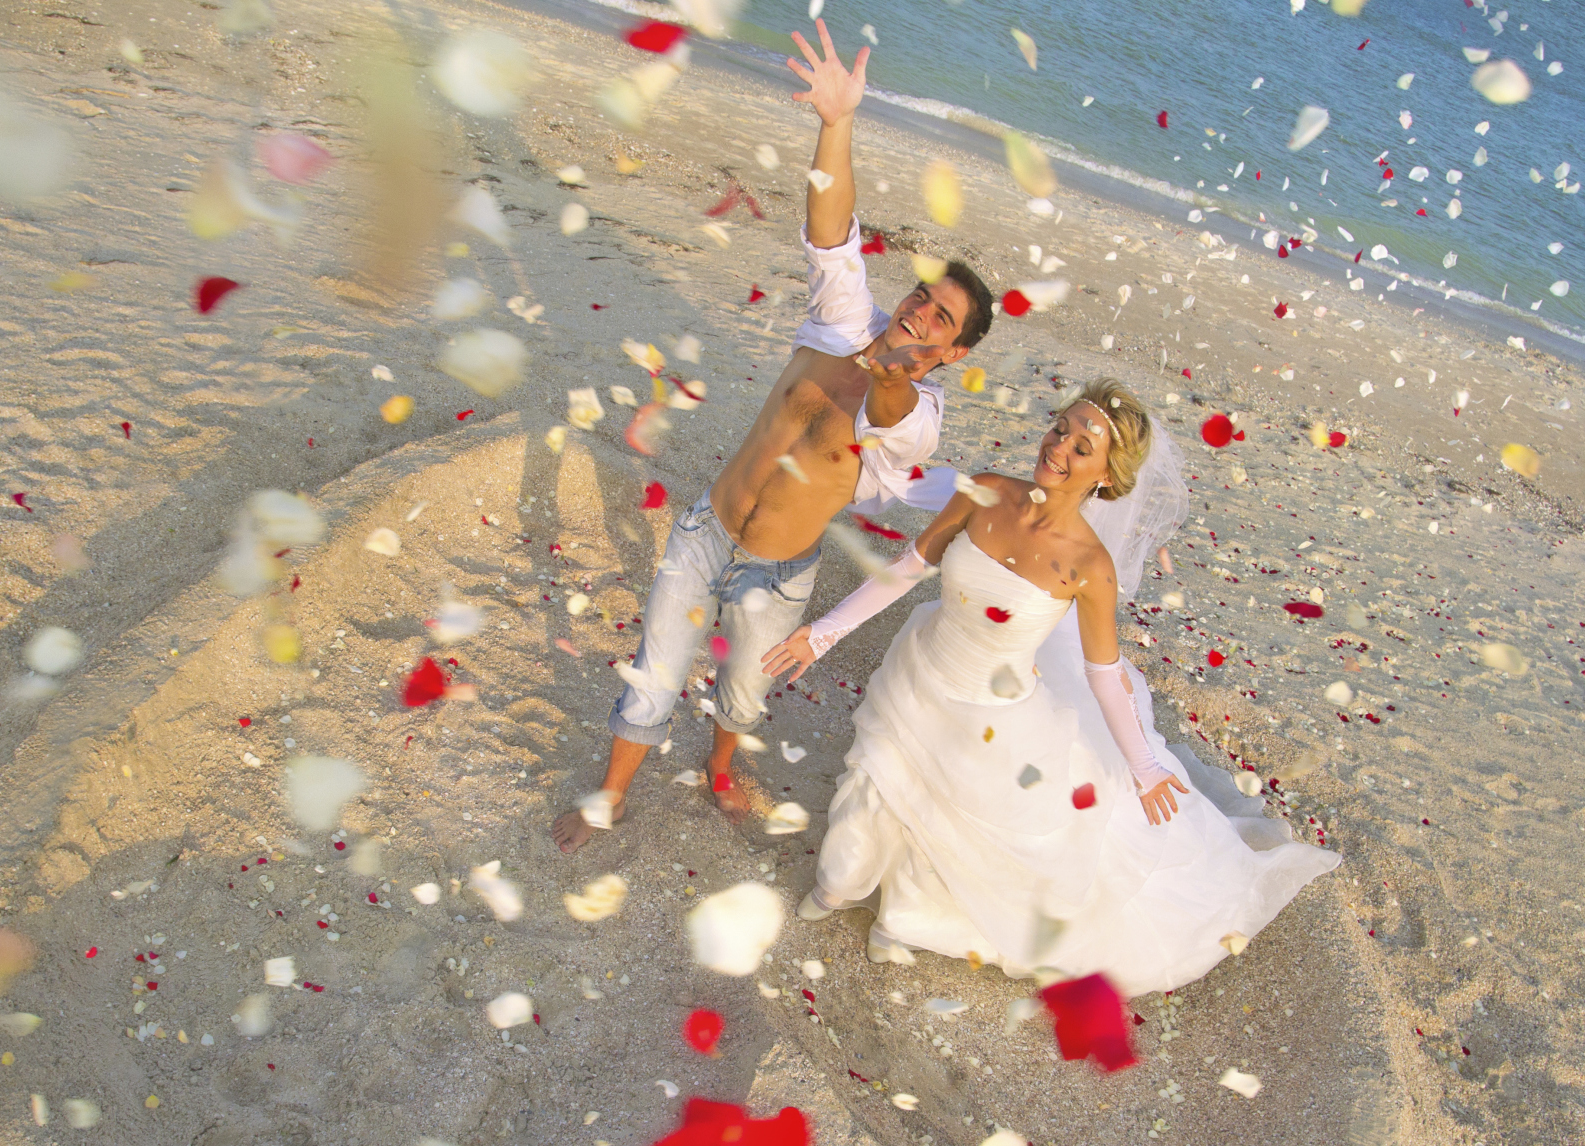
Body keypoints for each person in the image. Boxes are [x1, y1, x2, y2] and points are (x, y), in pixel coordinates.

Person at [553, 20, 995, 854]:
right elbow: (831, 228)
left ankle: (719, 771)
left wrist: (894, 369)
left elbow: (893, 416)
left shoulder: (923, 411)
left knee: (743, 697)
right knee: (654, 671)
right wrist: (836, 122)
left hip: (781, 571)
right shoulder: (840, 322)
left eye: (942, 318)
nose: (920, 311)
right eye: (922, 296)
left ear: (956, 351)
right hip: (705, 531)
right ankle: (609, 796)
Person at [761, 379, 1340, 996]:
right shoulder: (986, 491)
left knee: (946, 838)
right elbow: (908, 567)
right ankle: (852, 886)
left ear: (1104, 477)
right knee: (839, 871)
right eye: (1061, 427)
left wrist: (1143, 765)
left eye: (1082, 446)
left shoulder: (1090, 567)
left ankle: (908, 918)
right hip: (920, 681)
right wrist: (821, 635)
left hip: (994, 723)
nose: (1059, 446)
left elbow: (1105, 673)